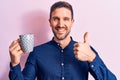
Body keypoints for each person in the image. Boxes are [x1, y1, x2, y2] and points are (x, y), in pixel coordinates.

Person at [9, 1, 117, 80]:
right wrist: (15, 63)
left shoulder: (86, 51)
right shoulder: (37, 53)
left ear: (72, 22)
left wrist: (92, 58)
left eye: (65, 19)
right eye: (56, 19)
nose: (60, 25)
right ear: (50, 22)